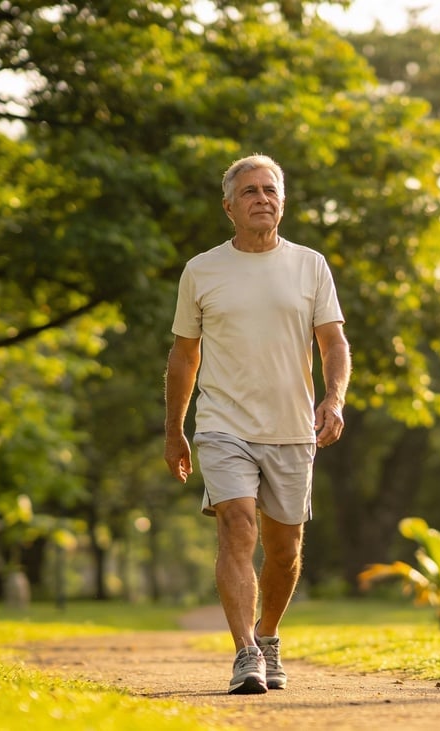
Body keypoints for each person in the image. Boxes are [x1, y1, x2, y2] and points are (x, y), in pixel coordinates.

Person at [163, 154, 351, 695]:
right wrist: (175, 429)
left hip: (292, 427)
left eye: (270, 190)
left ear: (282, 202)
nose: (262, 198)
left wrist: (334, 399)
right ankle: (245, 651)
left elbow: (333, 342)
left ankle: (268, 636)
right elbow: (184, 355)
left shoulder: (310, 265)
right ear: (229, 206)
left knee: (285, 549)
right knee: (237, 525)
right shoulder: (201, 270)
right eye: (249, 191)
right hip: (223, 423)